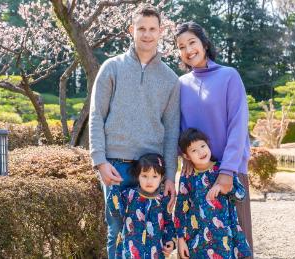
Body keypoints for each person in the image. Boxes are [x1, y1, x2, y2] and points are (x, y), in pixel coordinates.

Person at [88, 5, 180, 258]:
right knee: (116, 231)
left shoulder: (171, 79)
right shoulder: (111, 67)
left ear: (161, 31)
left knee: (151, 233)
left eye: (152, 29)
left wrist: (170, 175)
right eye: (141, 29)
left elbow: (172, 132)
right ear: (131, 30)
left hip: (151, 169)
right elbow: (96, 114)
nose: (147, 34)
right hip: (115, 166)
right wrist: (99, 161)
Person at [175, 21, 254, 256]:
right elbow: (181, 129)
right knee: (201, 245)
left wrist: (227, 171)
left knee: (238, 244)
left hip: (230, 174)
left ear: (204, 43)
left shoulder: (228, 76)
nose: (188, 50)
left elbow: (238, 126)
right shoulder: (181, 84)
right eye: (181, 47)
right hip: (197, 176)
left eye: (192, 42)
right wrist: (185, 158)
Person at [175, 128, 251, 259]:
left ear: (208, 145)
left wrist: (223, 187)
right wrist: (180, 240)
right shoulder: (187, 177)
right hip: (197, 240)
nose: (201, 152)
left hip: (224, 238)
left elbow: (241, 194)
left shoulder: (222, 170)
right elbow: (180, 210)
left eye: (202, 146)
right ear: (186, 156)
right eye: (194, 150)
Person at [107, 153, 176, 258]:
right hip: (129, 253)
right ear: (138, 176)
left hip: (155, 253)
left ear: (161, 178)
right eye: (144, 176)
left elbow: (168, 222)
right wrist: (114, 187)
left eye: (154, 176)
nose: (149, 181)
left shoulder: (163, 200)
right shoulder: (129, 195)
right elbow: (115, 211)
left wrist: (171, 241)